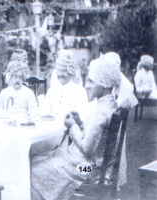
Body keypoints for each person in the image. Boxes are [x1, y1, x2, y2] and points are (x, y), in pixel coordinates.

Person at [31, 53, 123, 200]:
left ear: (105, 84)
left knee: (33, 171)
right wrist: (80, 122)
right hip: (99, 167)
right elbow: (97, 136)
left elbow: (87, 149)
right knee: (44, 162)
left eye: (92, 81)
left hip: (87, 170)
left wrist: (73, 126)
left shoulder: (100, 111)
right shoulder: (110, 104)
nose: (88, 85)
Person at [41, 49, 88, 124]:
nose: (60, 75)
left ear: (71, 73)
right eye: (59, 71)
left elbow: (82, 117)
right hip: (49, 127)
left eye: (64, 71)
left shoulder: (80, 91)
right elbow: (44, 112)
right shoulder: (52, 90)